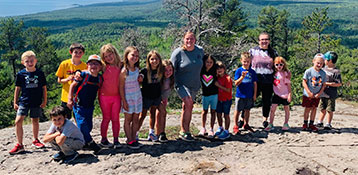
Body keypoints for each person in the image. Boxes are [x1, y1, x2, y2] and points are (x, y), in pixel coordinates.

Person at [10, 51, 47, 155]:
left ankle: (35, 140)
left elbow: (44, 88)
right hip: (24, 101)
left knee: (35, 120)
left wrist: (45, 101)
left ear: (36, 61)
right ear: (23, 62)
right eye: (27, 61)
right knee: (18, 121)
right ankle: (19, 144)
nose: (30, 63)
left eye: (32, 61)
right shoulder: (21, 74)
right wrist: (15, 102)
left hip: (36, 101)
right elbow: (17, 89)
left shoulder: (40, 73)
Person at [170, 31, 204, 141]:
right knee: (188, 103)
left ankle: (183, 130)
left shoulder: (199, 51)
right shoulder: (178, 53)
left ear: (195, 40)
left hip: (194, 84)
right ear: (184, 40)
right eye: (187, 39)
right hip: (181, 84)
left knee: (187, 106)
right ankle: (186, 130)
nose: (189, 41)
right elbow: (170, 68)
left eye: (191, 39)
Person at [67, 54, 103, 154]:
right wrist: (69, 99)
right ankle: (91, 143)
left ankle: (83, 141)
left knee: (89, 126)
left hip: (90, 106)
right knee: (82, 124)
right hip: (78, 105)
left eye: (96, 64)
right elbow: (72, 86)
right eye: (91, 64)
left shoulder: (100, 79)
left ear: (100, 67)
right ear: (87, 65)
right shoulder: (83, 75)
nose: (93, 66)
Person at [248, 32, 278, 128]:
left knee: (266, 100)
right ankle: (243, 118)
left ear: (269, 41)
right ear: (259, 41)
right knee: (250, 98)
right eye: (262, 39)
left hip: (268, 79)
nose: (264, 41)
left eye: (266, 39)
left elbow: (277, 66)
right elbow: (247, 63)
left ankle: (265, 119)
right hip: (255, 78)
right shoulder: (252, 51)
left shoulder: (273, 52)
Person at [98, 44, 122, 148]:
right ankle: (104, 139)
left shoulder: (121, 65)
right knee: (106, 118)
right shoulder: (102, 67)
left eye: (110, 54)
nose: (108, 58)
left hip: (117, 96)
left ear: (114, 53)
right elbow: (90, 68)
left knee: (116, 118)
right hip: (104, 97)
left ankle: (116, 139)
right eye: (106, 56)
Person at [138, 50, 164, 142]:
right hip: (146, 97)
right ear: (148, 60)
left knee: (153, 114)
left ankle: (151, 132)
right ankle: (135, 132)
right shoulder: (145, 71)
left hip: (156, 96)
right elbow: (139, 77)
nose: (154, 61)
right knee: (142, 115)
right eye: (152, 59)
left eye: (156, 59)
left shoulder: (161, 71)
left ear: (159, 60)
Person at [56, 43, 87, 120]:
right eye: (75, 52)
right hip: (66, 96)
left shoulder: (85, 66)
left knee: (78, 117)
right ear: (71, 52)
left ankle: (78, 131)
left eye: (80, 52)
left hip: (79, 96)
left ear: (83, 53)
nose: (78, 54)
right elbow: (59, 80)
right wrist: (67, 79)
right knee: (66, 118)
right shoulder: (64, 64)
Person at [119, 46, 142, 149]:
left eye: (137, 55)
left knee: (136, 119)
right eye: (133, 55)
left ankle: (133, 138)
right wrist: (124, 101)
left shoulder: (137, 69)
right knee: (128, 119)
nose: (135, 57)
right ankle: (129, 140)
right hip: (128, 98)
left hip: (137, 97)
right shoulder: (124, 71)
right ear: (127, 55)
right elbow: (121, 86)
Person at [265, 57, 292, 131]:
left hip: (285, 94)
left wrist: (289, 94)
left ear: (283, 65)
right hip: (276, 94)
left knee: (286, 109)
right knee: (272, 109)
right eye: (277, 64)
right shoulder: (273, 73)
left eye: (281, 64)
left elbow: (288, 84)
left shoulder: (285, 73)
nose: (279, 66)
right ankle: (270, 123)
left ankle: (286, 123)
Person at [316, 51, 342, 130]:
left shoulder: (336, 72)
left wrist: (327, 84)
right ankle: (320, 122)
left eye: (326, 60)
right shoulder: (323, 69)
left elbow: (339, 83)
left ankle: (328, 123)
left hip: (331, 94)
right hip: (323, 93)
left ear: (330, 61)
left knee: (330, 109)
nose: (324, 61)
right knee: (322, 108)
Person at [233, 52, 257, 134]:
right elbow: (236, 83)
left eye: (248, 61)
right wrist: (242, 77)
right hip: (240, 94)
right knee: (238, 110)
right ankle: (236, 125)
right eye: (244, 61)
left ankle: (246, 124)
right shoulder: (239, 71)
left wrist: (254, 94)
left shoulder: (252, 72)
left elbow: (255, 84)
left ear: (250, 61)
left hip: (249, 94)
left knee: (247, 110)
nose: (246, 63)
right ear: (241, 61)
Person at [301, 53, 327, 132]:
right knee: (307, 109)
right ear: (313, 61)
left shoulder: (323, 73)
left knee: (314, 108)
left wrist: (319, 93)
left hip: (317, 95)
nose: (319, 64)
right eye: (318, 63)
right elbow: (304, 82)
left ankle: (311, 123)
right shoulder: (309, 71)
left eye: (321, 63)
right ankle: (305, 123)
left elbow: (323, 85)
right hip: (308, 94)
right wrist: (308, 92)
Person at [198, 54, 218, 138]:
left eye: (211, 62)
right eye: (207, 62)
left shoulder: (215, 71)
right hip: (205, 95)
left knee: (213, 111)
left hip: (214, 95)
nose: (209, 64)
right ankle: (203, 128)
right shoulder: (201, 71)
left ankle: (211, 128)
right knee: (204, 111)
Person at [156, 60, 175, 142]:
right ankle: (157, 132)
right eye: (166, 70)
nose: (168, 72)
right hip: (156, 98)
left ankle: (161, 132)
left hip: (164, 99)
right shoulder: (159, 79)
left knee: (162, 113)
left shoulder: (171, 79)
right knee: (159, 114)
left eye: (170, 70)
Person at [215, 61, 233, 140]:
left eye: (221, 68)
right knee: (218, 114)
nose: (219, 70)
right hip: (218, 99)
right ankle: (220, 127)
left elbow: (228, 90)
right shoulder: (216, 78)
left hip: (226, 100)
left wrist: (218, 86)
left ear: (224, 69)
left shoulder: (227, 78)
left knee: (226, 115)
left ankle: (226, 130)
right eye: (217, 68)